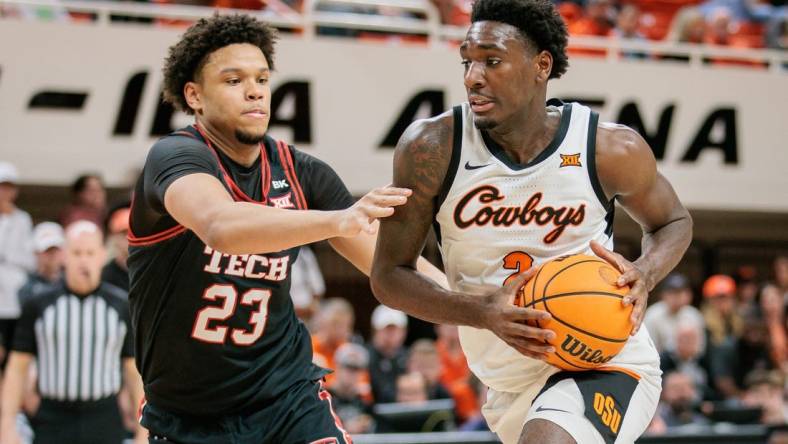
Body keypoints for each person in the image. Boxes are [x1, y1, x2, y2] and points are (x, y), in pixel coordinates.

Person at [370, 0, 693, 442]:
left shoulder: (608, 147)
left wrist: (646, 272)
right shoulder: (430, 148)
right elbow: (389, 276)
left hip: (604, 358)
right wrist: (481, 311)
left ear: (541, 65)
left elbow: (673, 221)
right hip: (506, 382)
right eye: (467, 61)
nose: (472, 77)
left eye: (492, 61)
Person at [127, 14, 444, 444]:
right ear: (194, 95)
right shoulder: (175, 158)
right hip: (188, 416)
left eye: (261, 78)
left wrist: (479, 307)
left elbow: (393, 268)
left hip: (286, 400)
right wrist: (335, 220)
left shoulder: (300, 172)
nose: (255, 90)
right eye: (234, 80)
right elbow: (220, 225)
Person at [0, 221, 145, 444]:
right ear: (65, 256)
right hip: (52, 417)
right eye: (77, 253)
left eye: (89, 253)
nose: (83, 260)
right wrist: (7, 424)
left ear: (101, 255)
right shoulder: (38, 305)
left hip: (103, 415)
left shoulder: (120, 306)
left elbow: (133, 372)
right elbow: (17, 368)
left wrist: (142, 430)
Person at [0, 162, 35, 366]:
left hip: (15, 298)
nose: (5, 192)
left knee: (15, 351)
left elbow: (30, 259)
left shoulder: (23, 219)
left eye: (9, 187)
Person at [643, 273, 705, 354]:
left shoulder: (694, 315)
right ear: (663, 295)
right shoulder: (652, 314)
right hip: (660, 362)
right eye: (672, 292)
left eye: (680, 292)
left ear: (688, 295)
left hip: (689, 362)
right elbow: (647, 349)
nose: (676, 297)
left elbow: (701, 349)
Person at [367, 304, 410, 404]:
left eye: (395, 329)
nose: (391, 334)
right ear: (375, 330)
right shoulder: (364, 357)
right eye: (386, 329)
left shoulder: (408, 357)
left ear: (404, 332)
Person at [17, 222, 65, 306]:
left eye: (56, 250)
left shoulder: (72, 282)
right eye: (47, 251)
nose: (53, 255)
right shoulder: (27, 288)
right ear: (35, 253)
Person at [101, 204, 131, 292]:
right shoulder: (105, 275)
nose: (129, 238)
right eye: (124, 233)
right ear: (114, 237)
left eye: (133, 233)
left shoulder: (147, 269)